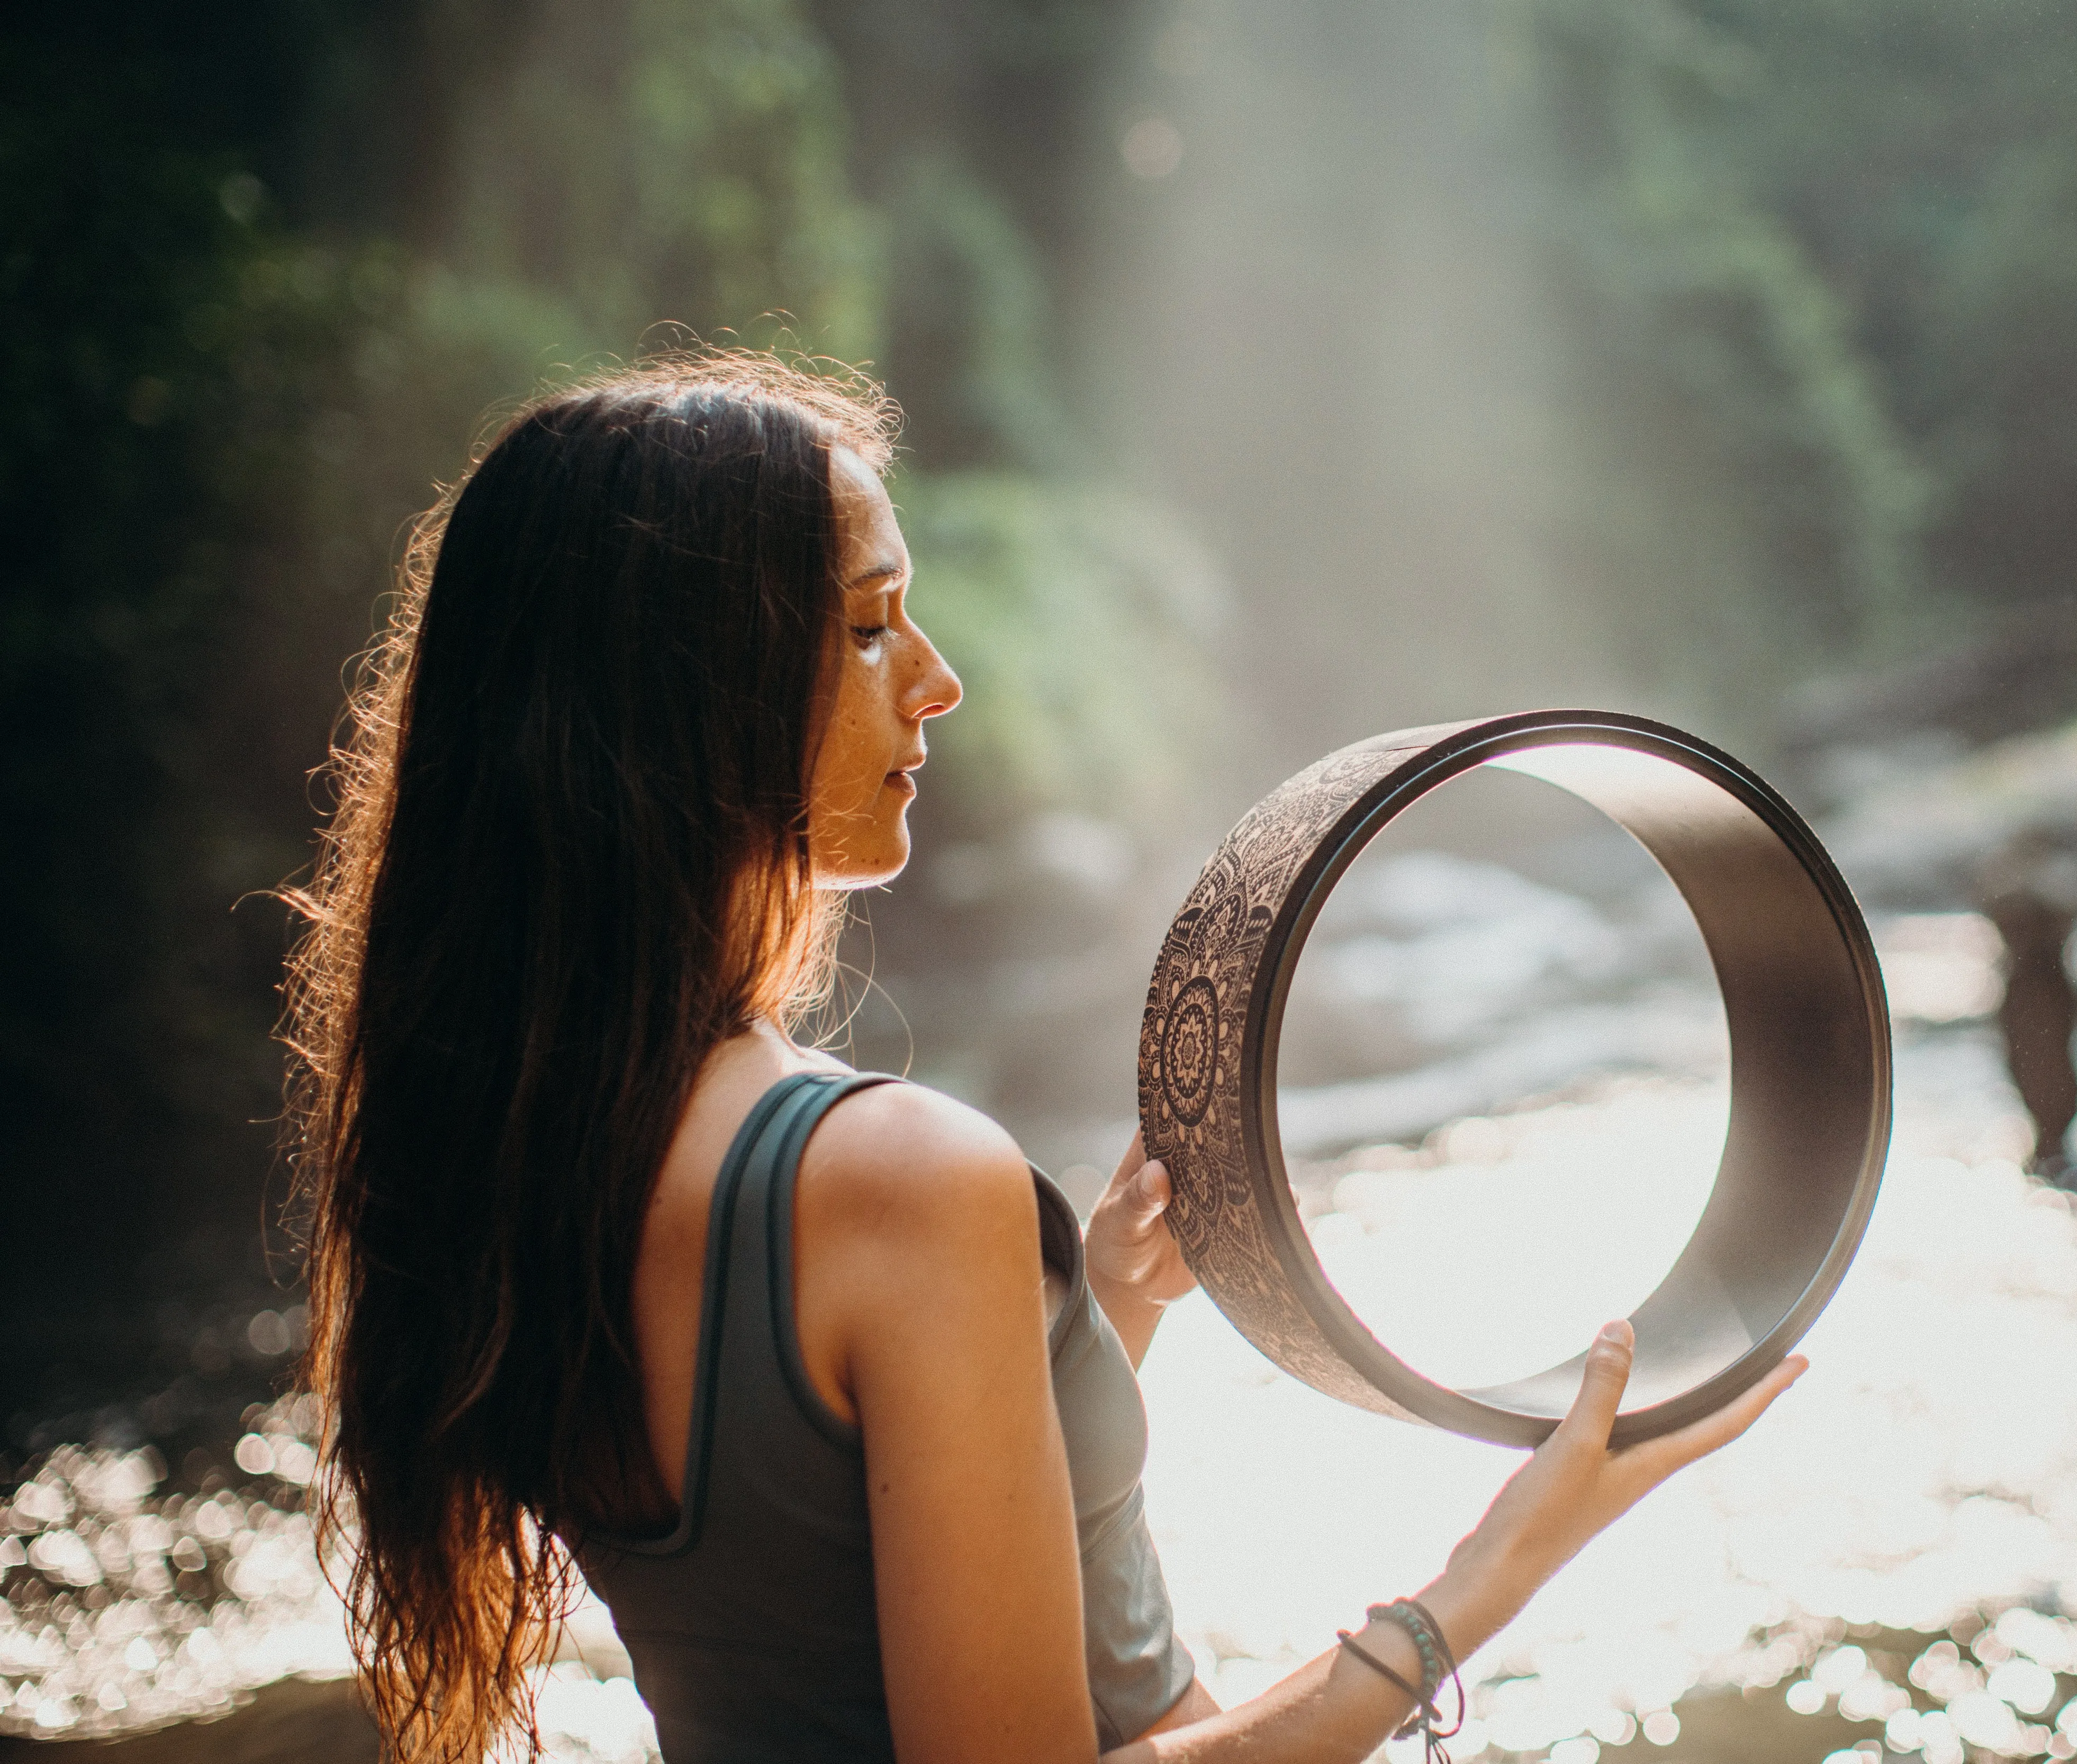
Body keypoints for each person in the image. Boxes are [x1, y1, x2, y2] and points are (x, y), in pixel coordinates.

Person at [282, 351, 1805, 1764]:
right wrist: (1478, 1587)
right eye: (871, 623)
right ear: (689, 692)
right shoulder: (893, 1178)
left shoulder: (546, 1142)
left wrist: (1095, 1314)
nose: (935, 678)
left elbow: (806, 1581)